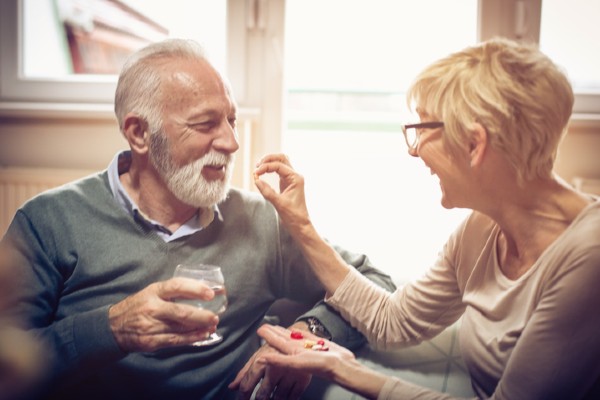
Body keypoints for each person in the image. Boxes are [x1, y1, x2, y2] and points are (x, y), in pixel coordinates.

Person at [0, 38, 395, 400]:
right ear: (139, 134)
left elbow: (376, 288)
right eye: (206, 124)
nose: (231, 142)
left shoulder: (260, 222)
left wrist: (303, 337)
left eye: (231, 121)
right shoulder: (48, 222)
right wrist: (112, 330)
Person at [252, 38, 600, 399]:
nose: (414, 151)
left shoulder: (589, 257)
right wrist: (300, 224)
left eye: (421, 130)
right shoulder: (481, 229)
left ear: (474, 144)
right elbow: (393, 321)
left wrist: (347, 371)